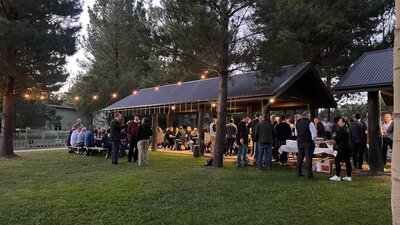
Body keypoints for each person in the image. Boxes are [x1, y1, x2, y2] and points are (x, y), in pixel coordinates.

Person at [296, 111, 317, 178]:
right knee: (308, 159)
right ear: (308, 115)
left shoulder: (297, 122)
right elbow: (314, 135)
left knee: (300, 158)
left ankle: (299, 172)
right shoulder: (310, 123)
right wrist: (314, 141)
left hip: (300, 142)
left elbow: (296, 134)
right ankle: (309, 174)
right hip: (308, 143)